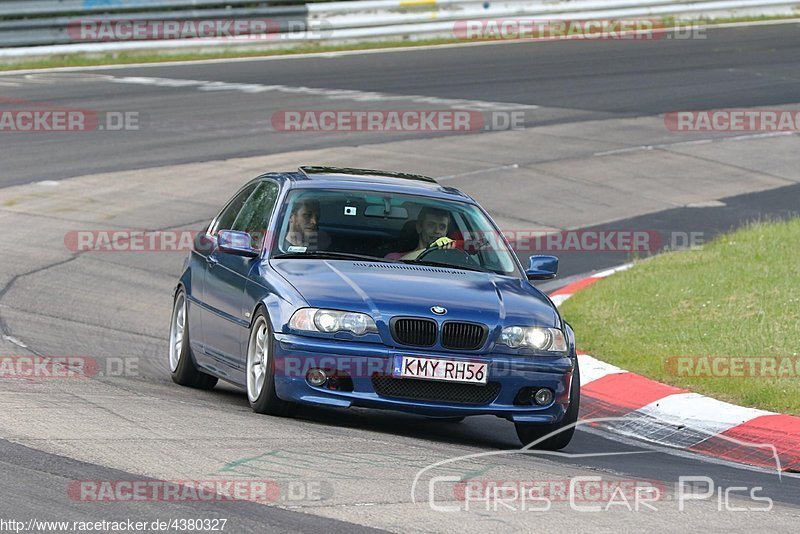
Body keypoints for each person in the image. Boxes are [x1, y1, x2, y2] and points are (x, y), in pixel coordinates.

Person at [386, 206, 456, 260]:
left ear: (446, 232)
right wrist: (430, 249)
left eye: (442, 227)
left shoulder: (452, 260)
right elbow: (398, 265)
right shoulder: (394, 257)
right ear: (419, 227)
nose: (437, 231)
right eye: (431, 225)